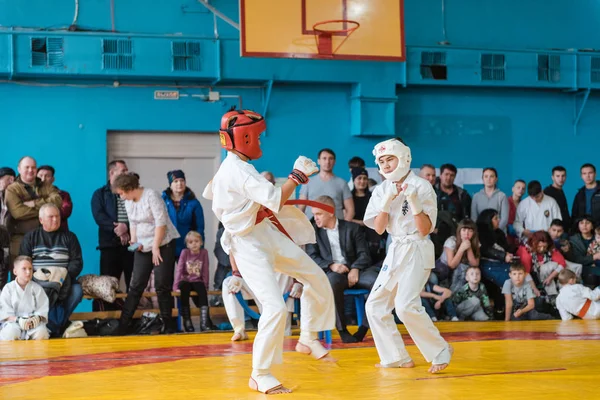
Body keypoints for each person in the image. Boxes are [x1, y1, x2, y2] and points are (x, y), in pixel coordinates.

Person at [202, 108, 335, 395]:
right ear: (245, 137)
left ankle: (308, 336)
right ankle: (259, 373)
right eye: (258, 137)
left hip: (263, 233)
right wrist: (297, 175)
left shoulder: (238, 167)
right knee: (275, 307)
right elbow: (274, 198)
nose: (260, 142)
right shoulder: (237, 170)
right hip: (248, 243)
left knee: (314, 275)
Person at [364, 137, 453, 374]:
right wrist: (386, 202)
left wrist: (413, 202)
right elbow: (380, 228)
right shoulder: (381, 189)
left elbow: (425, 229)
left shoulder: (422, 186)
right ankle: (396, 356)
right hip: (395, 249)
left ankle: (440, 350)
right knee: (374, 305)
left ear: (403, 158)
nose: (386, 165)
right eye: (381, 161)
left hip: (416, 247)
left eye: (390, 159)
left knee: (404, 306)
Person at [112, 173, 180, 334]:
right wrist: (135, 242)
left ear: (129, 189)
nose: (121, 197)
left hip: (163, 244)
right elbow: (133, 223)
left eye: (122, 193)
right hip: (143, 246)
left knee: (162, 285)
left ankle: (168, 325)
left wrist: (156, 247)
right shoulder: (129, 203)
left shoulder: (151, 196)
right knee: (136, 285)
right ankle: (123, 324)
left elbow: (161, 223)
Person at [0, 256, 50, 341]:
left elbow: (42, 309)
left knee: (42, 332)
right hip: (14, 323)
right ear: (15, 271)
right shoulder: (8, 288)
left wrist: (37, 318)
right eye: (24, 269)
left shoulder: (37, 288)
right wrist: (18, 320)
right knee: (10, 333)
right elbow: (5, 313)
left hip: (33, 324)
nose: (28, 272)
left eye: (30, 269)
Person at [173, 231, 211, 332]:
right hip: (185, 280)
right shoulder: (185, 252)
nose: (194, 244)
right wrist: (175, 287)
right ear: (187, 244)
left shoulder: (204, 252)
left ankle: (204, 322)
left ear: (201, 242)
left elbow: (205, 270)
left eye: (196, 241)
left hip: (197, 280)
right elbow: (179, 269)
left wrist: (206, 285)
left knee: (202, 291)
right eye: (190, 242)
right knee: (184, 291)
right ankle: (187, 322)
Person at [162, 169, 205, 258]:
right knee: (165, 272)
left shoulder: (194, 203)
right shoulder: (163, 201)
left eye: (182, 180)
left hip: (187, 246)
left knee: (187, 272)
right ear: (170, 185)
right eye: (175, 181)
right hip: (166, 245)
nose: (179, 183)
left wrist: (199, 247)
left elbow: (200, 227)